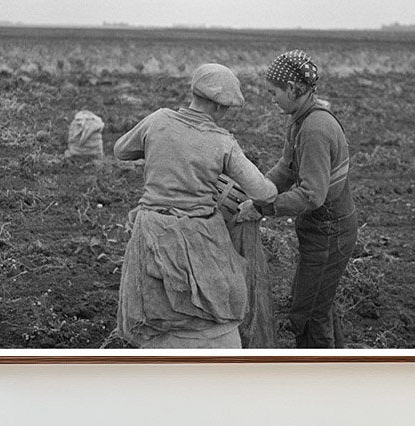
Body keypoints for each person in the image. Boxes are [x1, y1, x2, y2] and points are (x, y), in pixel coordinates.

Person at [113, 63, 276, 349]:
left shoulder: (158, 120)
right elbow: (262, 191)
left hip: (151, 229)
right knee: (213, 304)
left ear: (193, 92)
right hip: (200, 235)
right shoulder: (222, 142)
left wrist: (158, 150)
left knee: (155, 304)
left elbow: (121, 150)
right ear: (220, 107)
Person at [238, 49, 357, 348]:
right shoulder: (300, 119)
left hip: (330, 232)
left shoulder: (315, 129)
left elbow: (312, 195)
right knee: (320, 306)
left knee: (307, 314)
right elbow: (286, 168)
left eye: (273, 92)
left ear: (292, 88)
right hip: (322, 230)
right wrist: (257, 188)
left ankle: (316, 382)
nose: (272, 99)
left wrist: (264, 207)